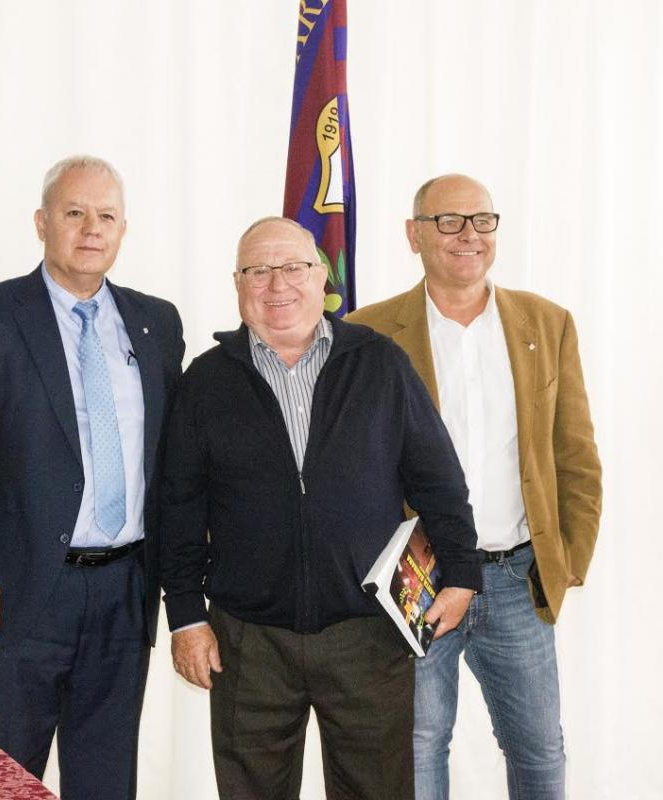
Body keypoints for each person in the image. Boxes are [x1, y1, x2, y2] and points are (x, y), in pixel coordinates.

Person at [160, 216, 480, 800]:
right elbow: (177, 509)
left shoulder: (380, 363)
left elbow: (438, 479)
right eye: (259, 270)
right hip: (248, 642)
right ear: (238, 283)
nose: (277, 284)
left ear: (321, 276)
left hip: (368, 634)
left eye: (293, 267)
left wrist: (461, 573)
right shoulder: (204, 382)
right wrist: (185, 616)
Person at [0, 155, 184, 800]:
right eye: (75, 213)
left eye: (107, 216)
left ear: (123, 229)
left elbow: (172, 460)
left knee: (106, 780)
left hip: (125, 590)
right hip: (15, 595)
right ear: (42, 223)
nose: (91, 229)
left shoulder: (157, 322)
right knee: (1, 778)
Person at [346, 174, 603, 800]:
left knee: (539, 751)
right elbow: (349, 469)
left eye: (482, 220)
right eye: (449, 221)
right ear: (414, 235)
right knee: (417, 749)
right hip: (419, 580)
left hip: (517, 579)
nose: (469, 235)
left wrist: (565, 560)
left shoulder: (548, 323)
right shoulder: (366, 333)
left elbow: (575, 454)